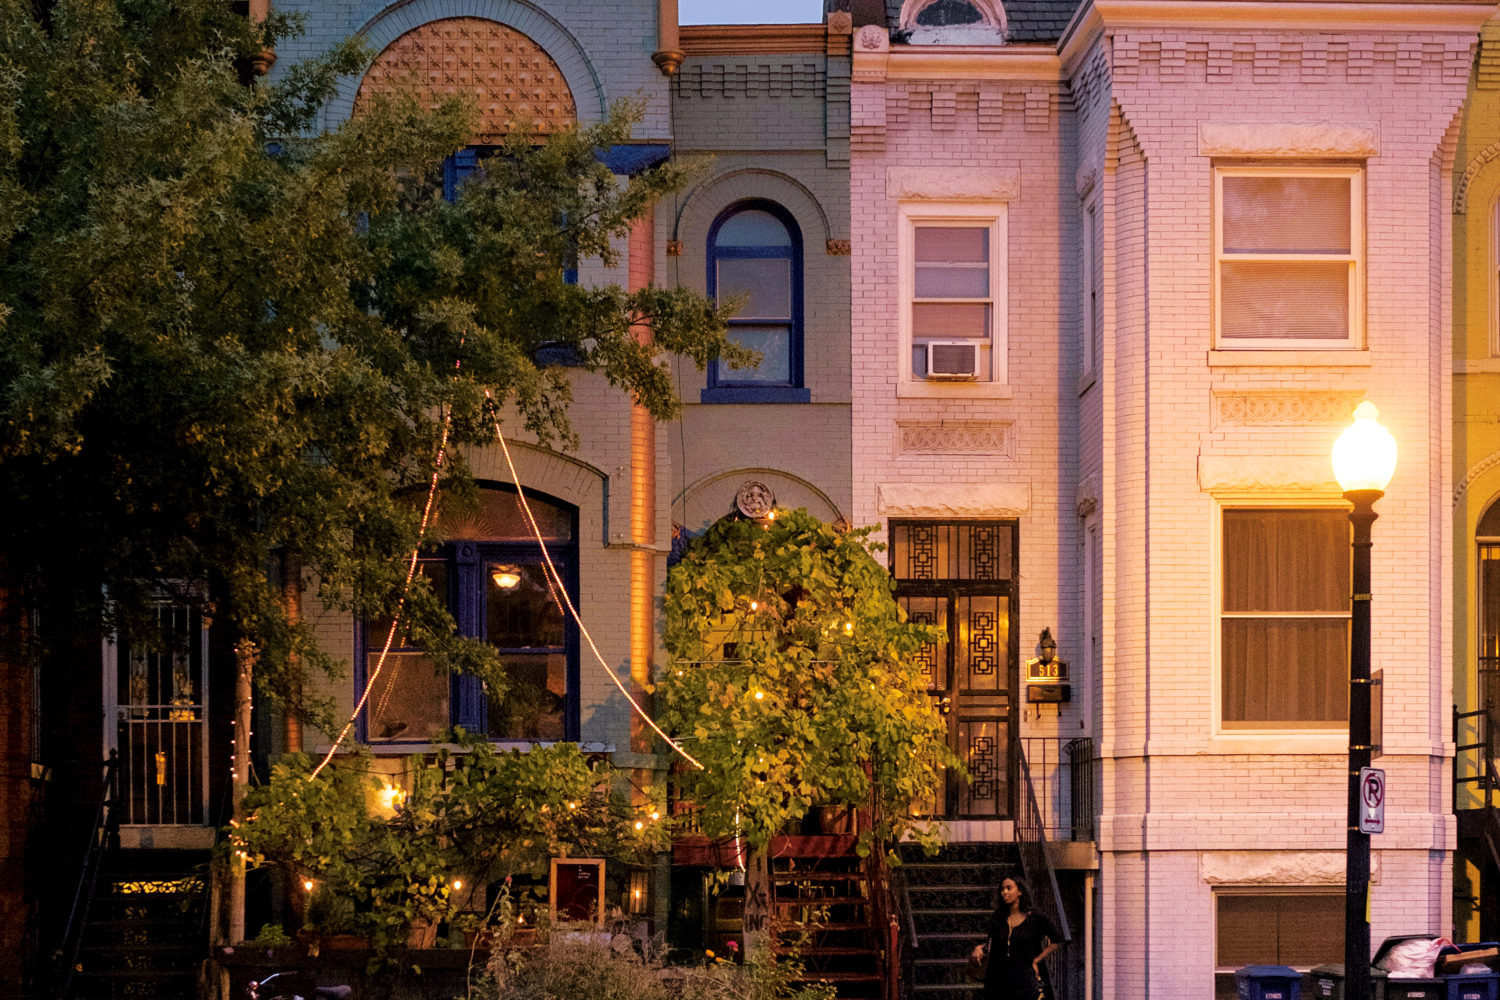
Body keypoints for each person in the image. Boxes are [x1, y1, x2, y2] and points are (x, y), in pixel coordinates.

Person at [972, 875, 1060, 1000]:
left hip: (1023, 979)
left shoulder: (1035, 917)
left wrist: (1036, 960)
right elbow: (991, 942)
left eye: (1009, 888)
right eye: (1002, 889)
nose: (1004, 892)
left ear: (1020, 891)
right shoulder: (998, 917)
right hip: (997, 979)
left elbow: (1056, 940)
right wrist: (980, 948)